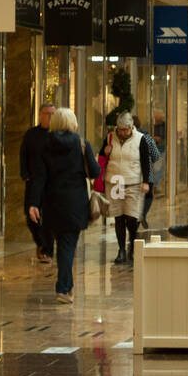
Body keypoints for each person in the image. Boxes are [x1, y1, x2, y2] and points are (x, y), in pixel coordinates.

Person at [27, 108, 99, 304]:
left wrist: (33, 203)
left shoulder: (45, 145)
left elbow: (39, 177)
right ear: (72, 123)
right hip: (75, 204)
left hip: (51, 204)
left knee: (62, 245)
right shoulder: (82, 144)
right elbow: (94, 171)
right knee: (67, 246)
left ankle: (67, 286)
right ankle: (63, 288)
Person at [100, 112, 151, 263]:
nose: (122, 133)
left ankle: (133, 246)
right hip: (115, 181)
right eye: (120, 130)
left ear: (131, 127)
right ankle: (121, 250)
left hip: (133, 181)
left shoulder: (141, 139)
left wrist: (146, 181)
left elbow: (145, 162)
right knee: (119, 217)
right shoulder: (110, 138)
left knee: (131, 217)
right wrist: (105, 151)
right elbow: (102, 156)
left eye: (126, 130)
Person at [20, 103, 55, 262]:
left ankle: (47, 250)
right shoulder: (31, 134)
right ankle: (41, 243)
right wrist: (25, 174)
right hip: (33, 181)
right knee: (30, 216)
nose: (50, 117)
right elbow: (23, 154)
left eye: (53, 114)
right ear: (40, 115)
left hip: (51, 182)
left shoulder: (57, 134)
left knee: (49, 217)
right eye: (47, 113)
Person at [139, 125, 161, 229]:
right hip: (147, 175)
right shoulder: (147, 138)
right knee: (148, 196)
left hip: (130, 175)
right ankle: (142, 214)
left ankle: (136, 217)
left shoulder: (124, 138)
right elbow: (156, 156)